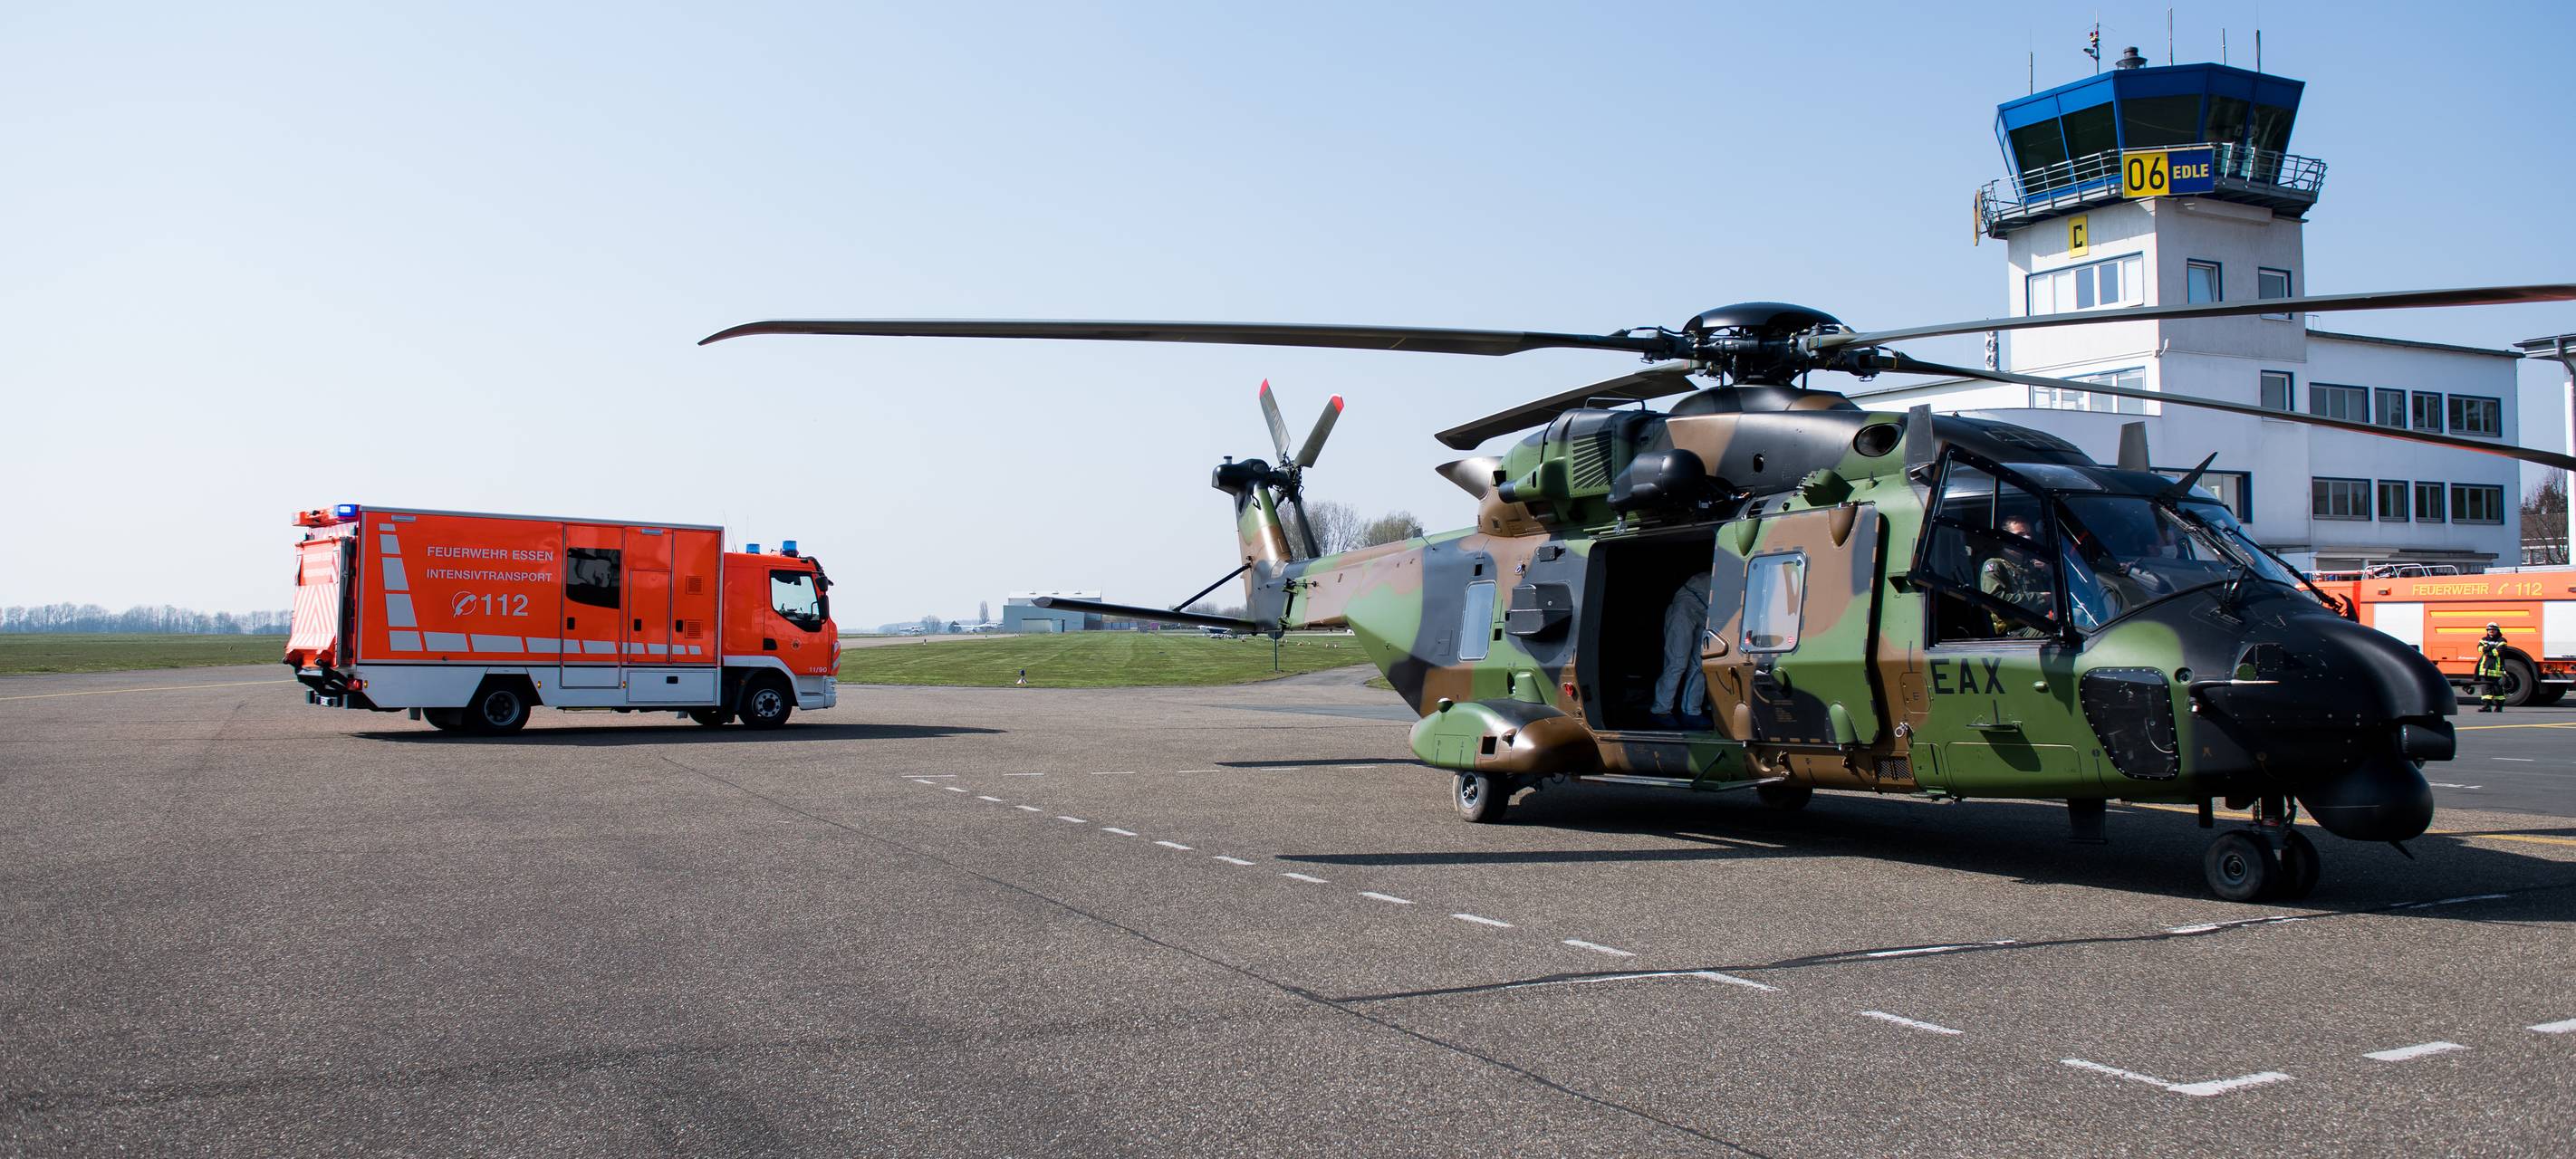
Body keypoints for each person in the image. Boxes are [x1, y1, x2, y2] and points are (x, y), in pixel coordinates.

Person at [1651, 570, 1713, 729]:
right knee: (1677, 662)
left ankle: (1691, 712)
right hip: (1685, 608)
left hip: (1705, 614)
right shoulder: (1715, 577)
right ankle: (1660, 710)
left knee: (1700, 664)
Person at [1978, 515, 2053, 637]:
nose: (2027, 538)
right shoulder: (1995, 565)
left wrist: (2049, 572)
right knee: (2059, 632)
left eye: (2029, 533)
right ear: (2005, 538)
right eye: (2020, 535)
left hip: (2039, 621)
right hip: (2017, 630)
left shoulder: (2033, 566)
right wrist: (2040, 598)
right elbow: (1996, 601)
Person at [2475, 622, 2508, 712]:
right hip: (2484, 668)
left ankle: (2499, 707)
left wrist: (2487, 650)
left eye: (2493, 629)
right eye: (2489, 629)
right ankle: (2486, 706)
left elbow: (2498, 652)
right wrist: (2488, 649)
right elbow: (2479, 649)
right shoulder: (2483, 639)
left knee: (2497, 689)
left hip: (2496, 669)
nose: (2491, 631)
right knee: (2485, 688)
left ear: (2497, 630)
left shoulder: (2502, 640)